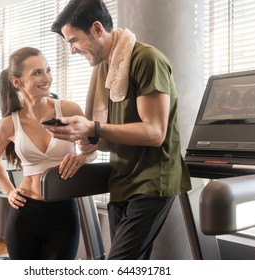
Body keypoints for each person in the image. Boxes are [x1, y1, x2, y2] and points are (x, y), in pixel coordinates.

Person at [47, 0, 192, 260]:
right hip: (122, 180)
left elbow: (155, 132)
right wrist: (89, 138)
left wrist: (95, 128)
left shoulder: (146, 59)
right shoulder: (105, 68)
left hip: (152, 180)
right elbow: (109, 132)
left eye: (73, 40)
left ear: (97, 29)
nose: (71, 50)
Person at [0, 47, 96, 260]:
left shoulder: (68, 109)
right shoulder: (8, 124)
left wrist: (81, 158)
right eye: (37, 73)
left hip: (64, 211)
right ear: (17, 82)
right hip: (26, 210)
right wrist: (9, 191)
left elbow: (92, 148)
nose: (47, 78)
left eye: (48, 70)